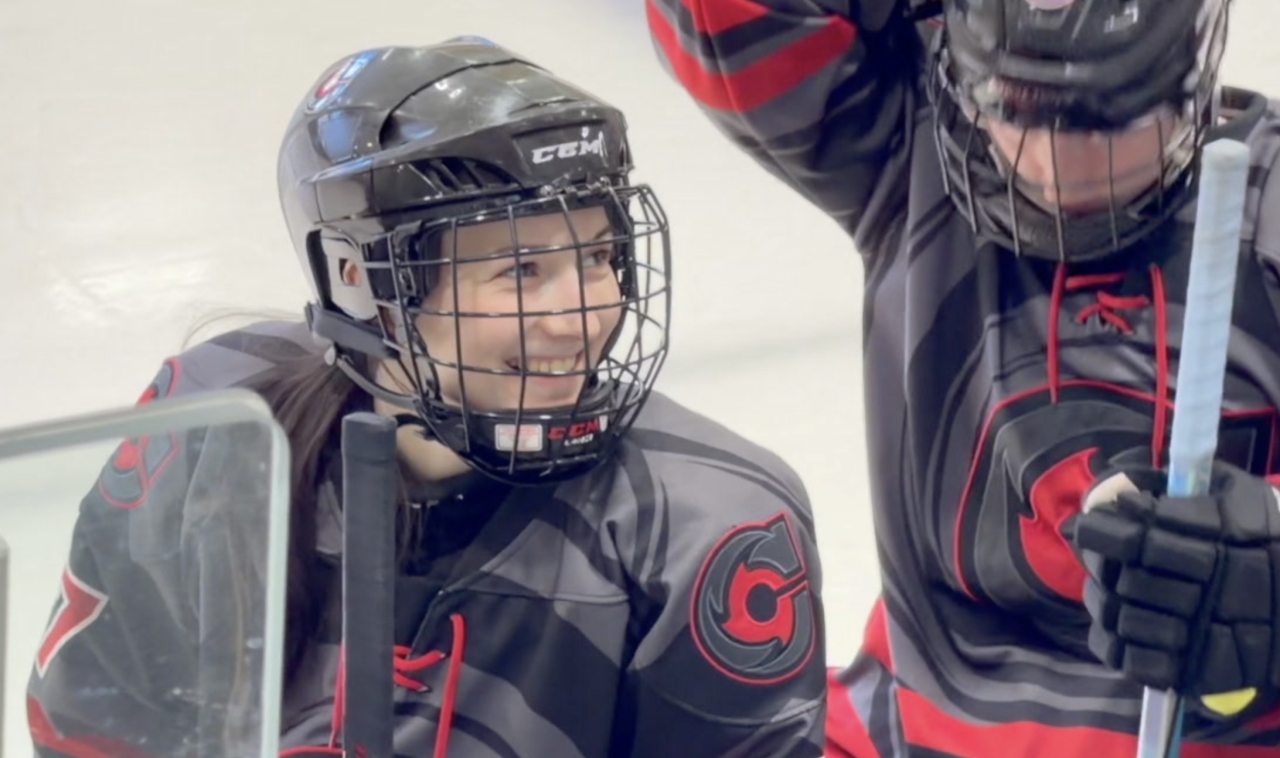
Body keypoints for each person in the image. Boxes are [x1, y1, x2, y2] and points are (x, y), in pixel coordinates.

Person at [27, 38, 828, 758]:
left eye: (598, 255)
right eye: (519, 272)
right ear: (362, 284)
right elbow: (95, 731)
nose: (577, 315)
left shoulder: (705, 527)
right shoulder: (216, 432)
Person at [648, 0, 1280, 755]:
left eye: (1102, 121)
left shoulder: (1265, 201)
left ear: (1186, 76)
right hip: (909, 731)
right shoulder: (914, 145)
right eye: (1011, 109)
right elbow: (717, 20)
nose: (1052, 166)